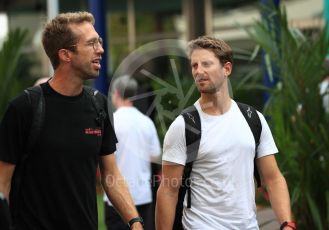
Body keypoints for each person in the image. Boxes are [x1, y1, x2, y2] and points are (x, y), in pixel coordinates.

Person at [0, 11, 143, 230]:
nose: (101, 49)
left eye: (100, 42)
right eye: (92, 43)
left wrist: (134, 221)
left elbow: (111, 174)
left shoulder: (98, 104)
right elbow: (3, 184)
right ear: (66, 54)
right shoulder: (25, 108)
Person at [155, 36, 295, 230]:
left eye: (206, 64)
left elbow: (273, 179)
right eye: (194, 65)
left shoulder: (253, 119)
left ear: (226, 69)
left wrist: (287, 224)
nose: (198, 71)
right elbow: (169, 190)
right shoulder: (184, 126)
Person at [104, 75, 161, 230]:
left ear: (116, 93)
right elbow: (155, 155)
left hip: (116, 197)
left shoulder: (111, 121)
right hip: (142, 195)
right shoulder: (146, 122)